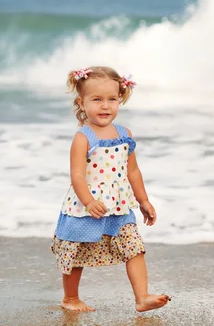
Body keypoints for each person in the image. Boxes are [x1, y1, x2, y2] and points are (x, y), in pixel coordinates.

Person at [51, 66, 170, 312]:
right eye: (97, 100)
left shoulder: (124, 134)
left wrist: (143, 200)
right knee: (76, 250)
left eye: (111, 100)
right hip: (85, 207)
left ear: (120, 100)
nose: (105, 106)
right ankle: (70, 298)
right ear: (81, 103)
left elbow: (133, 171)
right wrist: (88, 201)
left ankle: (142, 297)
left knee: (134, 247)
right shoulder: (83, 137)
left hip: (119, 205)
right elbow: (76, 175)